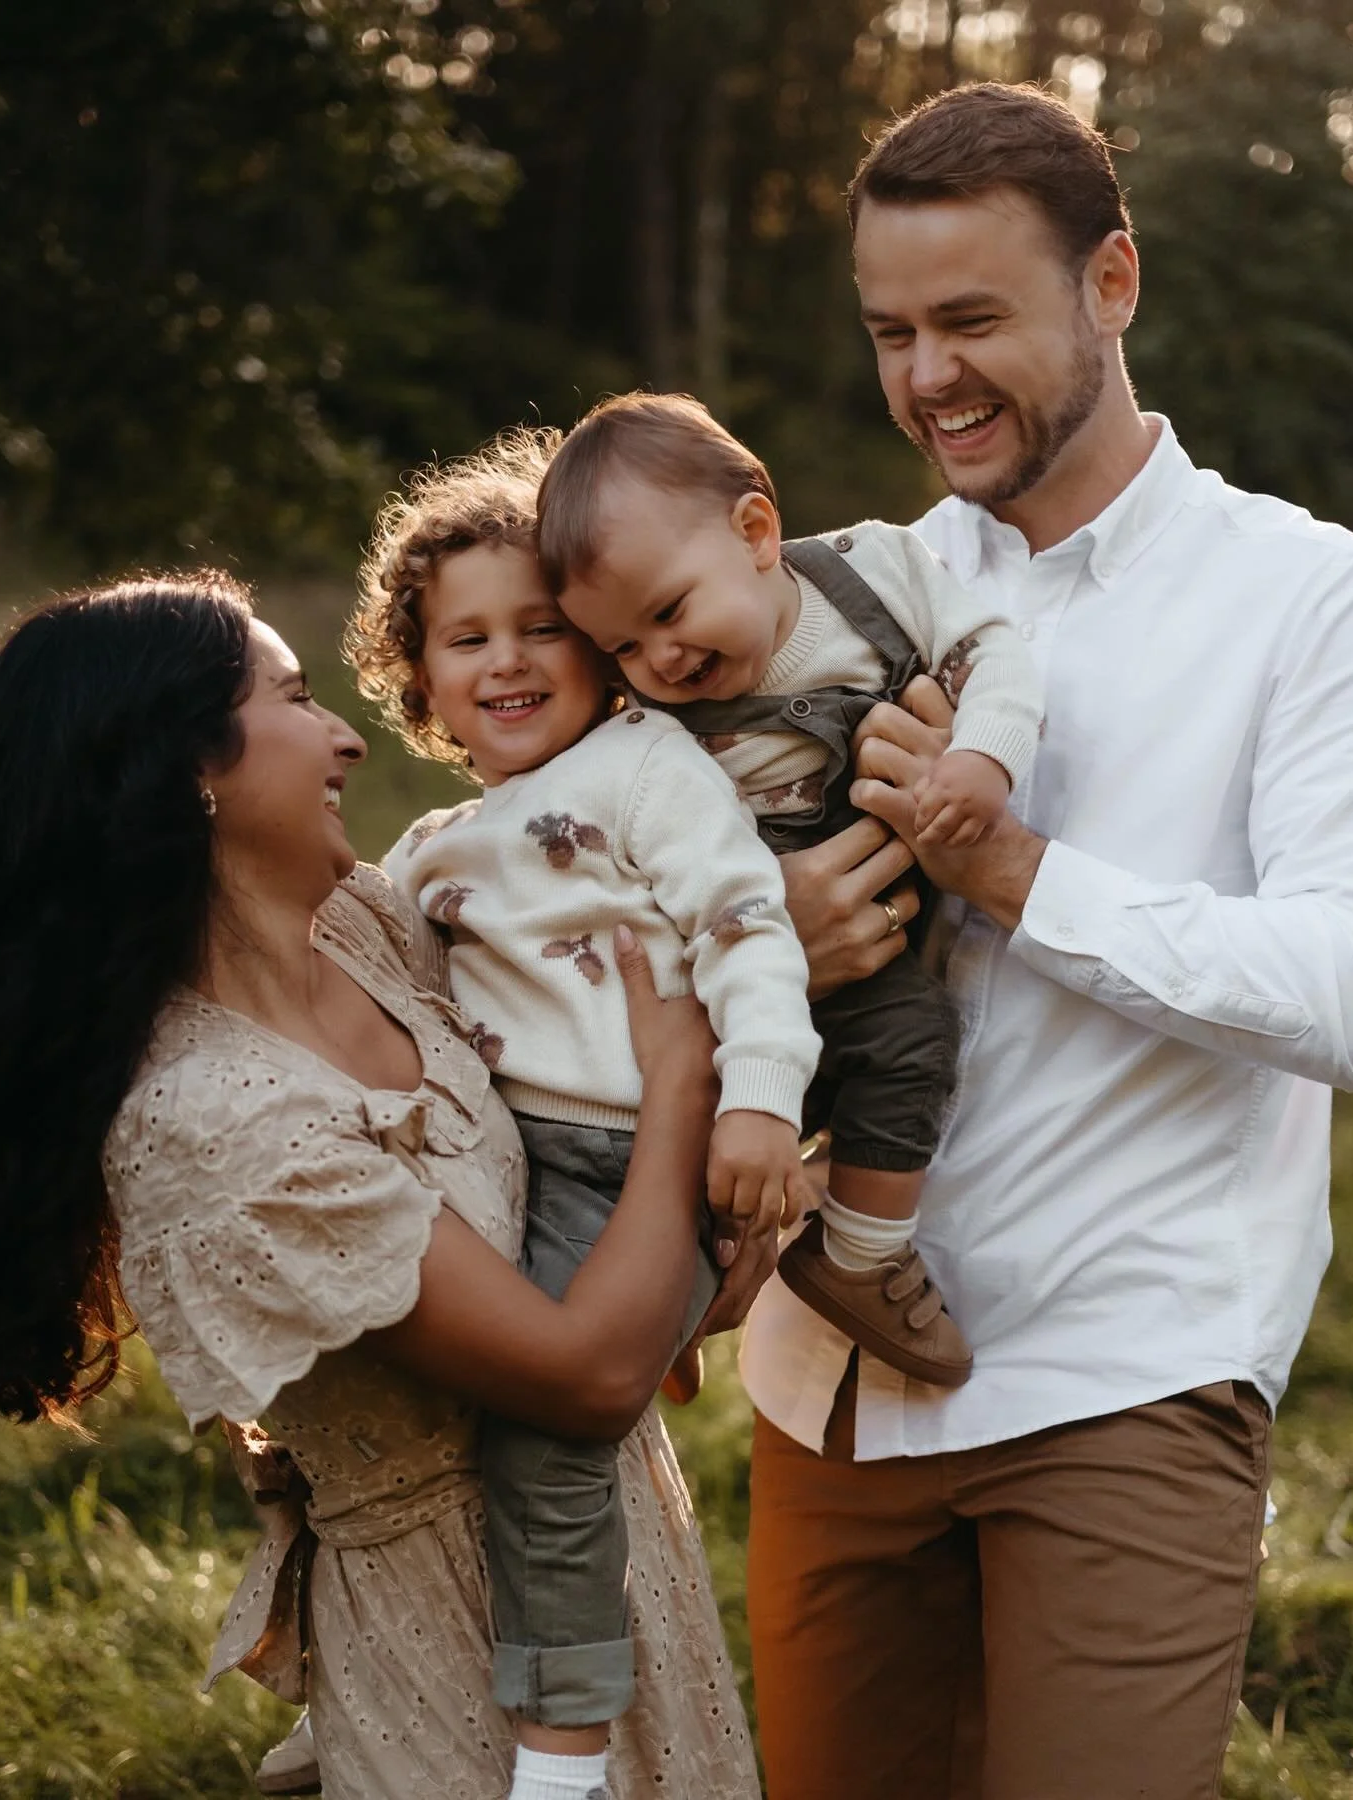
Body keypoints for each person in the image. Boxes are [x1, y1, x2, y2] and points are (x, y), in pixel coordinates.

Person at [739, 79, 1353, 1800]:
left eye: (971, 319)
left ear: (1113, 285)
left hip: (1127, 1379)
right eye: (891, 331)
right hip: (827, 1390)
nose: (926, 376)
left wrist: (1019, 874)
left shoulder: (1317, 601)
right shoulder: (824, 596)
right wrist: (762, 938)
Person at [0, 574, 761, 1800]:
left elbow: (598, 1224)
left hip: (619, 1561)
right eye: (294, 696)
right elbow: (587, 1374)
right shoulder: (208, 1116)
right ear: (191, 769)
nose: (344, 735)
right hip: (463, 1647)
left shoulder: (369, 928)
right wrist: (688, 1084)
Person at [345, 428, 816, 1795]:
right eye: (464, 638)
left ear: (599, 646)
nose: (504, 662)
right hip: (503, 1165)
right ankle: (364, 1656)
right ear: (421, 676)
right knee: (404, 1389)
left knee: (547, 1439)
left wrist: (763, 1108)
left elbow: (749, 931)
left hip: (630, 1159)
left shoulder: (644, 768)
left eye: (541, 628)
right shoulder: (430, 850)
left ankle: (563, 1748)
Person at [537, 392, 1040, 1384]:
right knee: (691, 1145)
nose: (661, 660)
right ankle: (660, 1297)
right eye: (624, 649)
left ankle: (859, 1258)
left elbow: (995, 654)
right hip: (747, 971)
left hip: (882, 944)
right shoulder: (647, 724)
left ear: (757, 531)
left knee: (909, 1051)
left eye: (671, 613)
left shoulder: (881, 573)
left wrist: (984, 754)